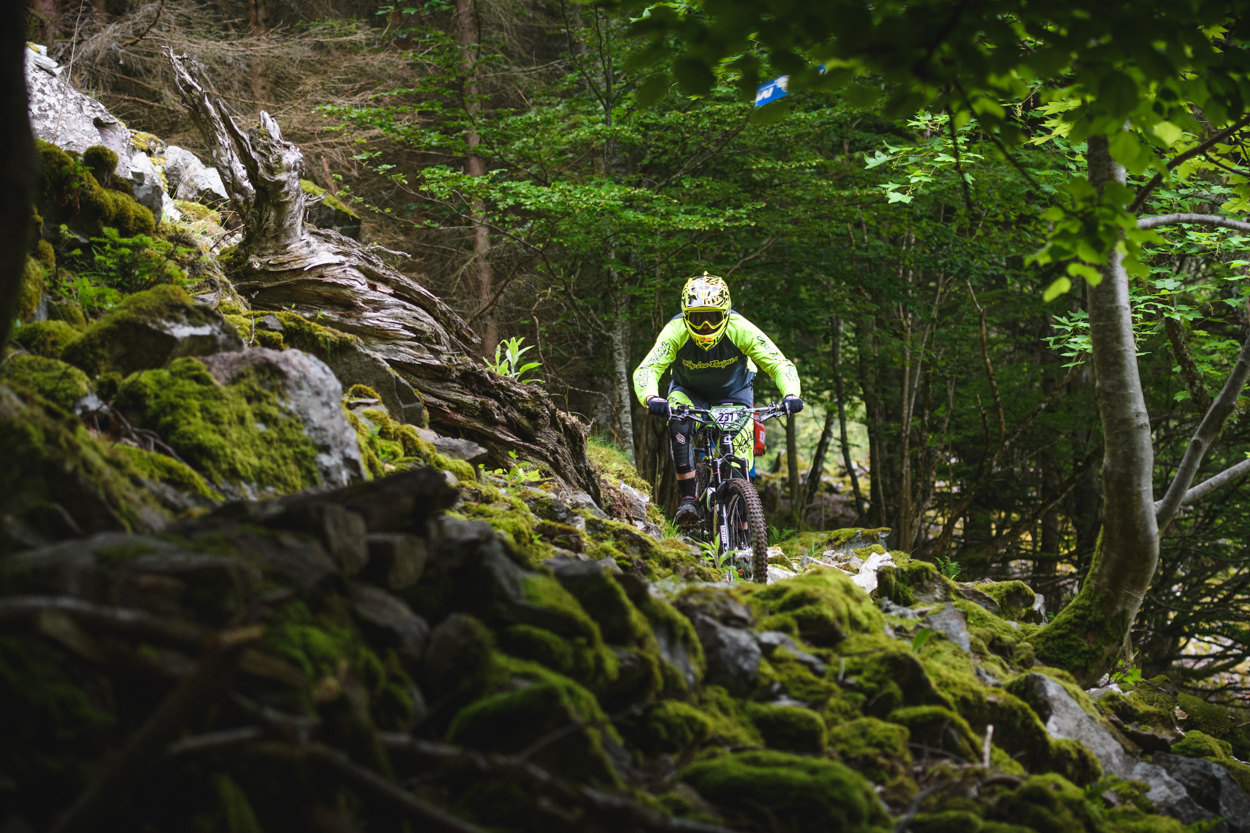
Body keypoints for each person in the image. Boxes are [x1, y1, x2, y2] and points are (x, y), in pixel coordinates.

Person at [633, 272, 803, 527]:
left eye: (712, 318)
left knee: (741, 453)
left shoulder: (740, 328)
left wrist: (791, 394)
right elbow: (648, 369)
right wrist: (651, 397)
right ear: (685, 315)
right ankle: (689, 499)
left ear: (725, 314)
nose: (705, 327)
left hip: (734, 393)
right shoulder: (676, 330)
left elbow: (778, 363)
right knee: (678, 423)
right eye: (698, 318)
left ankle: (746, 529)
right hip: (689, 392)